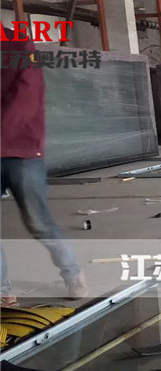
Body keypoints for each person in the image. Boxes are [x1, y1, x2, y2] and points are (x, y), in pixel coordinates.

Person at [1, 27, 87, 307]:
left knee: (38, 222)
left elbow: (25, 98)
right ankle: (2, 291)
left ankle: (72, 274)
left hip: (22, 150)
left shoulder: (19, 44)